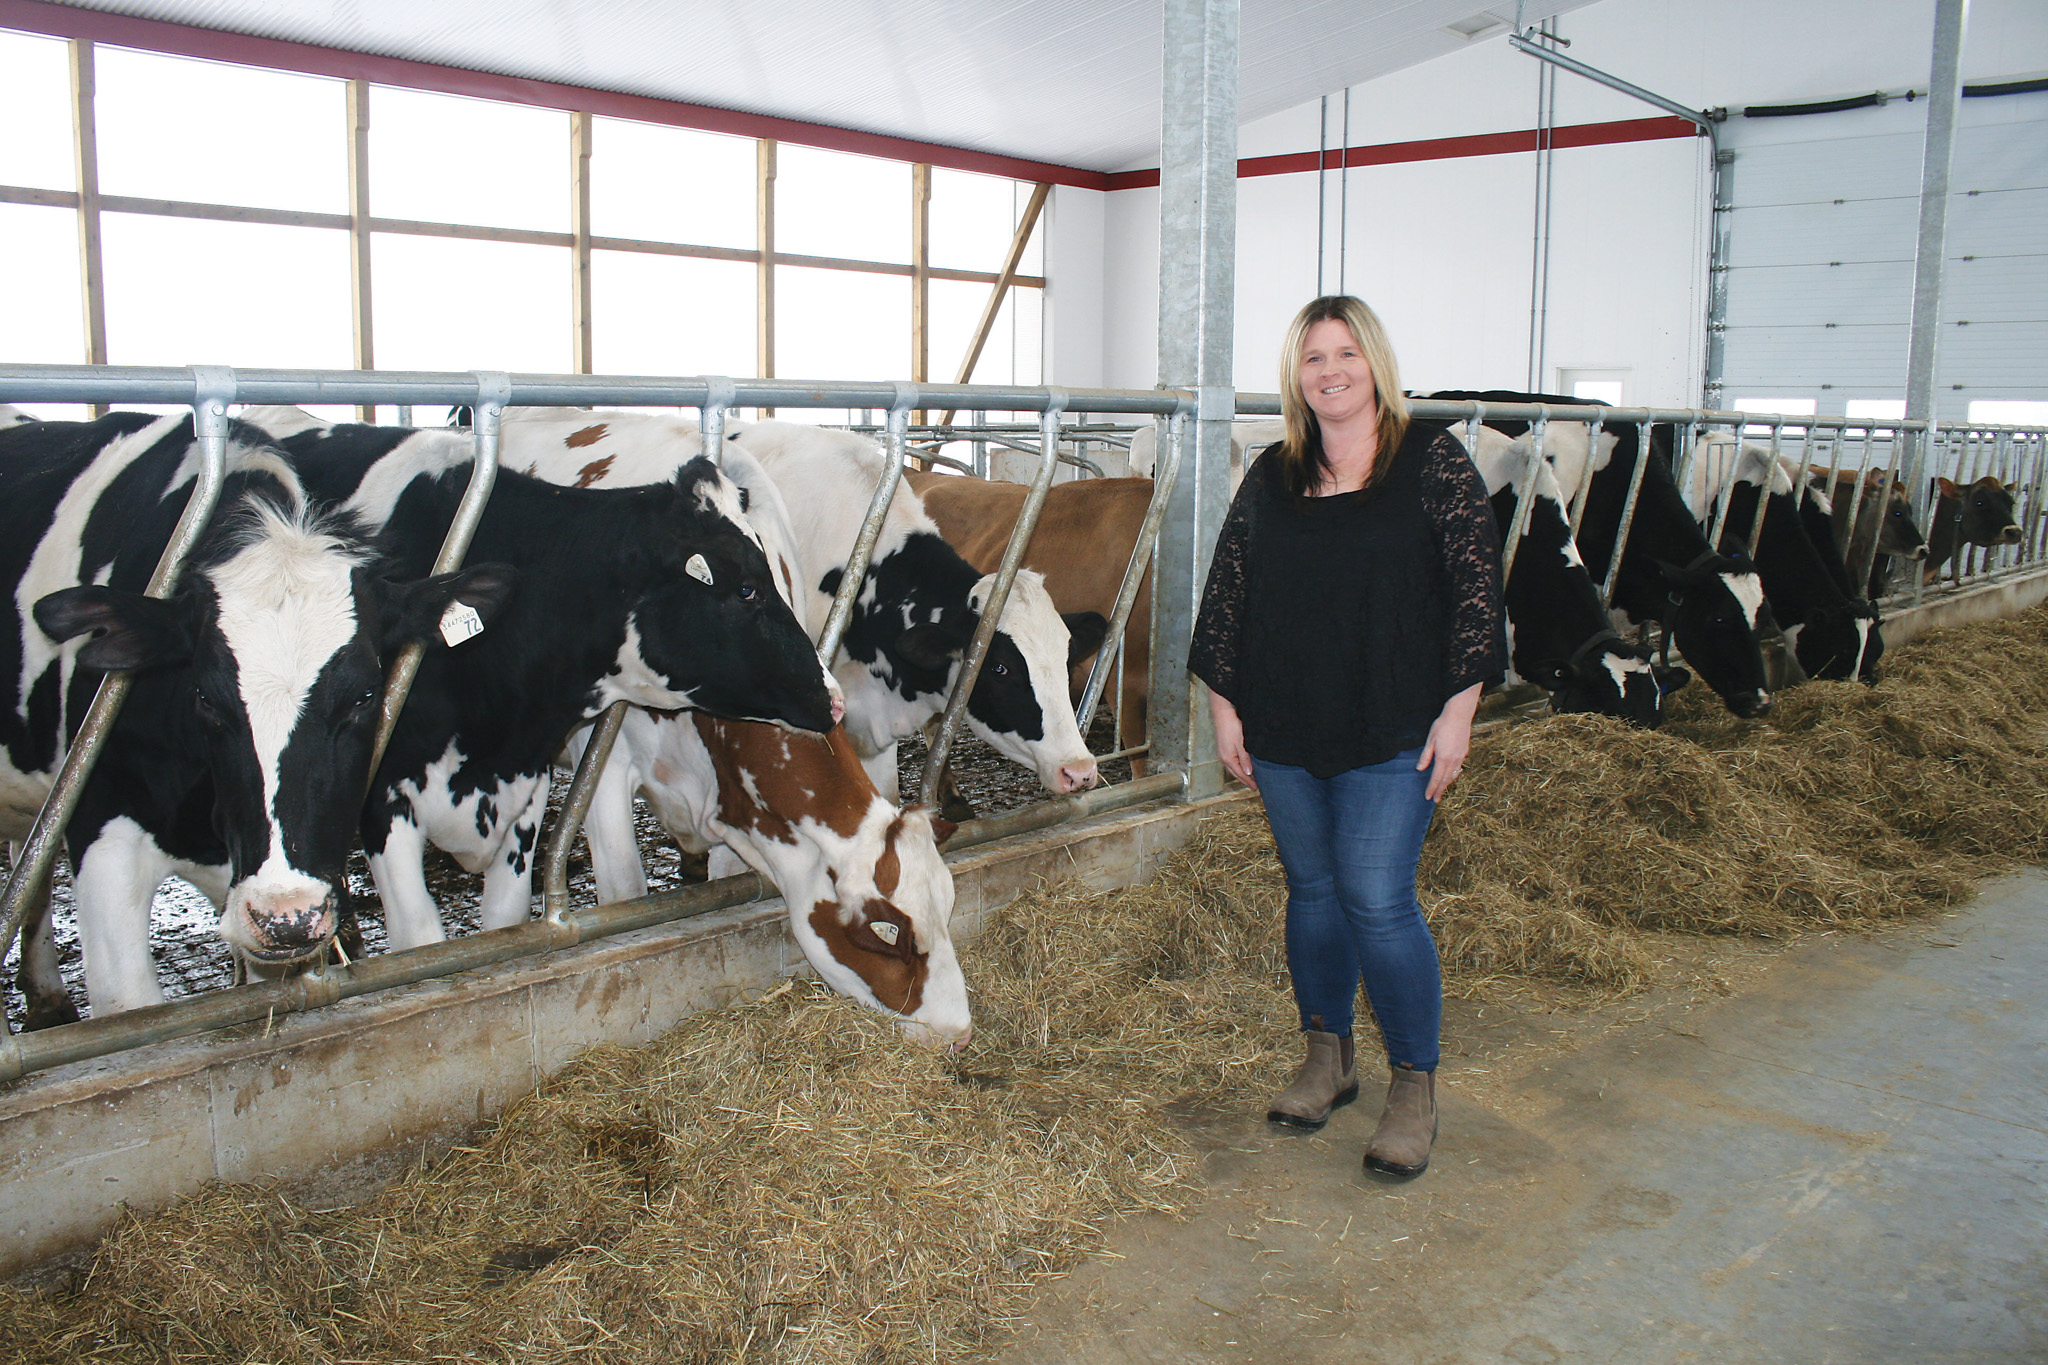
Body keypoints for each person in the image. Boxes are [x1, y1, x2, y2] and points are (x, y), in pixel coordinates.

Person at [1188, 295, 1505, 1179]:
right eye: (1313, 357)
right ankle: (1328, 1055)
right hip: (1287, 718)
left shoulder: (1432, 461)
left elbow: (1478, 587)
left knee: (1376, 893)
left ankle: (1414, 1081)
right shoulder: (1274, 472)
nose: (1330, 371)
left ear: (1375, 364)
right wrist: (1226, 708)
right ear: (1297, 375)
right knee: (1314, 889)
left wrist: (1459, 710)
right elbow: (1228, 592)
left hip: (1393, 721)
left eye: (1345, 354)